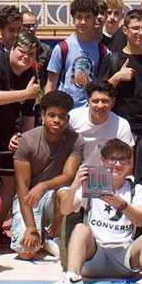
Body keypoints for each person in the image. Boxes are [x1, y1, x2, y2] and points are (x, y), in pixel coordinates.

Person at [48, 138, 142, 284]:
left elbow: (140, 221)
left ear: (129, 163)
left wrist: (122, 205)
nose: (117, 164)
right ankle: (72, 277)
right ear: (103, 161)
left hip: (124, 256)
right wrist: (75, 186)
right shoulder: (93, 182)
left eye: (122, 159)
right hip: (95, 255)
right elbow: (65, 209)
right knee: (80, 229)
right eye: (112, 159)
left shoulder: (135, 188)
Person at [11, 90, 85, 259]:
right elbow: (22, 187)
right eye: (52, 115)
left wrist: (43, 185)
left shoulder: (76, 140)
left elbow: (68, 175)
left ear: (67, 118)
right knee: (27, 253)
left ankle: (54, 236)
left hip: (54, 194)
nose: (57, 120)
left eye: (62, 116)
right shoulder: (26, 141)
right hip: (30, 197)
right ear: (42, 115)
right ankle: (38, 231)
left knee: (66, 192)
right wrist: (30, 228)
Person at [0, 31, 40, 220]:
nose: (26, 57)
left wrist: (24, 141)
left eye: (31, 55)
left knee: (11, 181)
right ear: (12, 48)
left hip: (9, 135)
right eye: (22, 51)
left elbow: (28, 115)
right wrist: (24, 93)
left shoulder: (31, 75)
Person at [98, 11, 142, 137]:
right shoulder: (113, 59)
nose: (140, 33)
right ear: (125, 30)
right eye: (135, 28)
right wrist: (117, 77)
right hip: (118, 127)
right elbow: (99, 93)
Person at [45, 0, 106, 108]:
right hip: (65, 111)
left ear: (94, 19)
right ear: (73, 19)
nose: (83, 22)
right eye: (79, 17)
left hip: (90, 113)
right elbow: (51, 86)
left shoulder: (102, 51)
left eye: (88, 17)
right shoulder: (62, 48)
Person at [66, 80, 133, 164]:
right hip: (76, 172)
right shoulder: (73, 117)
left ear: (113, 102)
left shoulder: (122, 125)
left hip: (107, 174)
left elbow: (128, 163)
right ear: (88, 101)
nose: (100, 106)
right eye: (95, 101)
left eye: (105, 101)